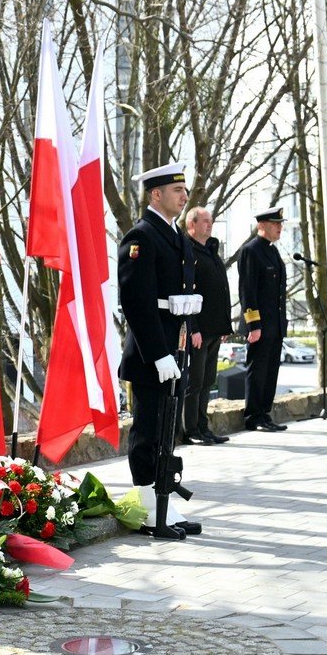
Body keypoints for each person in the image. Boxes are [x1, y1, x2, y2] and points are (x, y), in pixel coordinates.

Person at [117, 161, 202, 537]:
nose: (184, 197)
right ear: (156, 194)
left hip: (174, 348)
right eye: (177, 191)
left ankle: (163, 503)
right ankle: (147, 509)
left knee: (169, 430)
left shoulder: (176, 236)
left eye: (184, 191)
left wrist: (182, 343)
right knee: (148, 429)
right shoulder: (141, 236)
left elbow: (181, 299)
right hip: (152, 353)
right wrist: (158, 353)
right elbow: (136, 303)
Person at [180, 206, 232, 445]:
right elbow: (186, 292)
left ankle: (203, 427)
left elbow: (220, 289)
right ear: (192, 224)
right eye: (204, 221)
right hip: (198, 331)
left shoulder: (211, 250)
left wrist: (224, 327)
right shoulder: (187, 251)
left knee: (208, 379)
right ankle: (190, 430)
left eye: (211, 221)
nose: (209, 225)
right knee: (195, 381)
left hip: (214, 330)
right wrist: (194, 328)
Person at [237, 207, 289, 432]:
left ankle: (264, 413)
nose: (279, 227)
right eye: (275, 223)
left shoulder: (273, 251)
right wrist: (253, 324)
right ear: (261, 226)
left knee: (270, 370)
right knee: (257, 370)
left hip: (275, 323)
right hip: (260, 324)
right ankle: (253, 416)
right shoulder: (251, 250)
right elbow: (247, 291)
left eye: (280, 224)